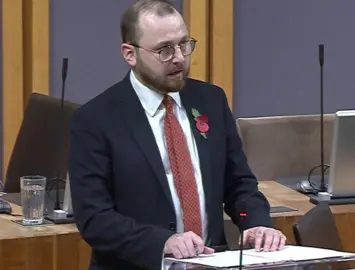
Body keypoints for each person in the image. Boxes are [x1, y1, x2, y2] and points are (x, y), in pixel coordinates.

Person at [68, 0, 286, 269]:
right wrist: (162, 242)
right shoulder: (96, 119)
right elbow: (94, 218)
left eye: (184, 44)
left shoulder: (211, 100)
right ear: (130, 54)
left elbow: (238, 184)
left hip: (212, 262)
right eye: (164, 50)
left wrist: (256, 222)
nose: (179, 58)